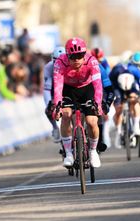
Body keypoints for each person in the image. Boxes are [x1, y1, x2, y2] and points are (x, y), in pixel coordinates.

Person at [53, 37, 103, 168]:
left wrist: (98, 103)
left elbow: (98, 85)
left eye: (80, 56)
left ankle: (93, 151)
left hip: (87, 89)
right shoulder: (60, 62)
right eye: (73, 56)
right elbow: (57, 87)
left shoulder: (92, 61)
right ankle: (69, 153)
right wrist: (57, 106)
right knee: (65, 115)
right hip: (68, 90)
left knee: (92, 121)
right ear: (67, 55)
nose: (76, 60)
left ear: (84, 54)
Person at [109, 62, 140, 148]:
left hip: (131, 85)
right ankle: (119, 131)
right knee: (118, 107)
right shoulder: (114, 73)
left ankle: (136, 126)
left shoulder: (135, 71)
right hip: (117, 86)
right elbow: (108, 86)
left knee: (134, 98)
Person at [43, 46, 65, 143]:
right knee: (49, 109)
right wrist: (49, 104)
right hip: (54, 90)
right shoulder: (48, 67)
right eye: (56, 61)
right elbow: (47, 89)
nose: (59, 64)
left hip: (68, 89)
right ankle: (55, 127)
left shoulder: (71, 65)